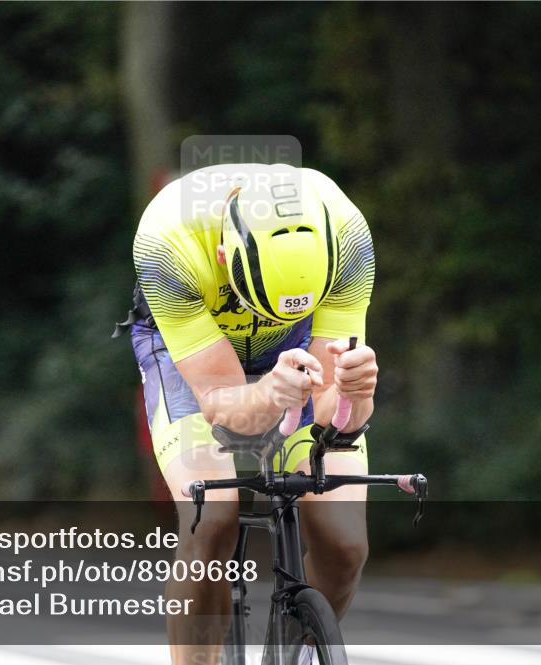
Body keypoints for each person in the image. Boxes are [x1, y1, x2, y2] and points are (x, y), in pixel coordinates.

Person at [121, 163, 377, 665]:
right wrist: (269, 397)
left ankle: (302, 651)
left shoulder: (346, 235)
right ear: (224, 256)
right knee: (212, 518)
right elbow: (219, 404)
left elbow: (333, 416)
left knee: (345, 544)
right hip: (188, 353)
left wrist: (356, 396)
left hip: (297, 345)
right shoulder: (168, 240)